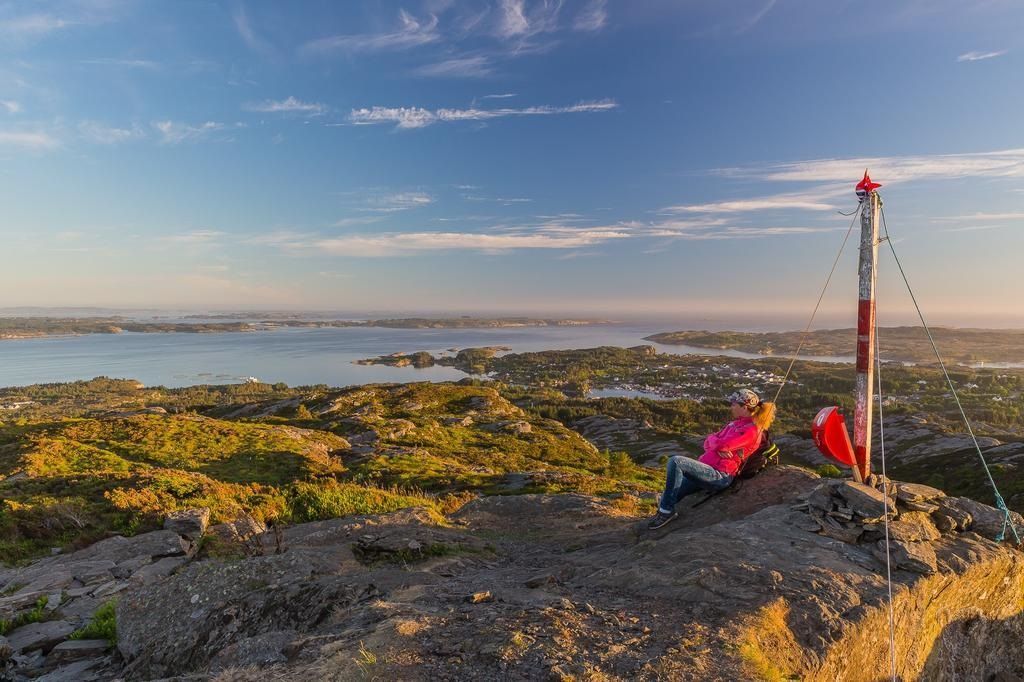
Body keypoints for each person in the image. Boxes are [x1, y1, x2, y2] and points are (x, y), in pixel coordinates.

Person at [647, 388, 776, 530]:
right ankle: (664, 510)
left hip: (720, 475)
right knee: (666, 497)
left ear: (744, 407)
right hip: (706, 471)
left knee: (676, 461)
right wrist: (715, 443)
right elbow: (708, 441)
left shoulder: (751, 430)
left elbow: (722, 444)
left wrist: (717, 444)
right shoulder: (734, 424)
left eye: (734, 404)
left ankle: (666, 513)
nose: (731, 406)